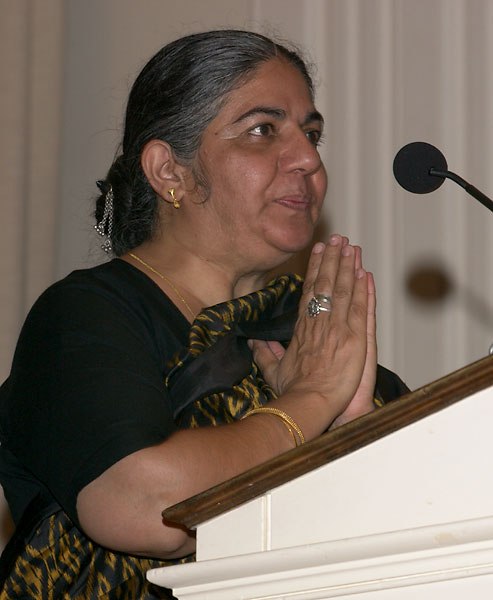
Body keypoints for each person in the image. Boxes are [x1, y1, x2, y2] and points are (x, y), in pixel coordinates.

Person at [0, 30, 408, 599]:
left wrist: (354, 426)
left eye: (312, 133)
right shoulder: (86, 318)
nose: (309, 159)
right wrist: (311, 404)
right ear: (170, 170)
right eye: (263, 130)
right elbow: (147, 506)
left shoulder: (317, 342)